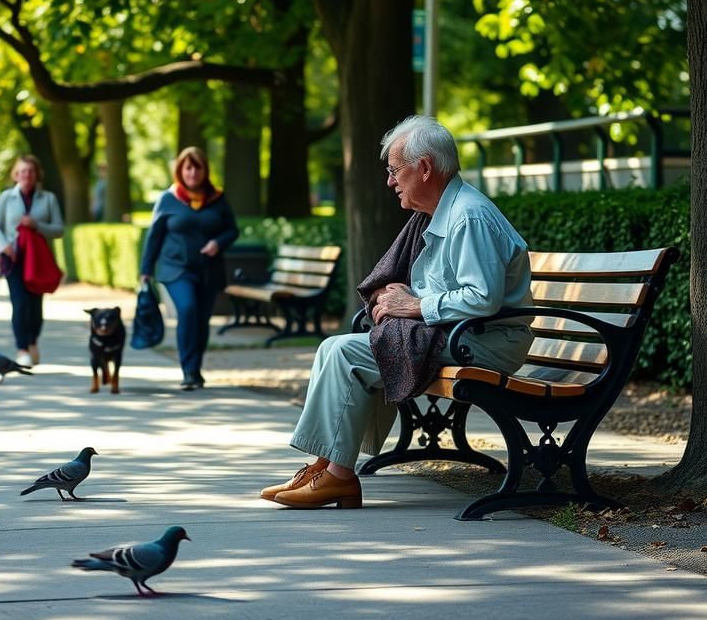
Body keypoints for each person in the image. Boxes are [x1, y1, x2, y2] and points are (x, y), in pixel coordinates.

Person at [260, 115, 535, 509]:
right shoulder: (444, 211)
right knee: (340, 349)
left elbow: (482, 299)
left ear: (424, 168)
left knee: (342, 352)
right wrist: (406, 294)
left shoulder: (468, 217)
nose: (390, 181)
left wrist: (415, 305)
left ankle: (336, 476)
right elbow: (454, 288)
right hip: (462, 334)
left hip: (487, 342)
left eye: (394, 170)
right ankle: (326, 468)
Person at [139, 146, 239, 391]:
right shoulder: (169, 199)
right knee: (188, 309)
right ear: (180, 170)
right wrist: (145, 269)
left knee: (202, 319)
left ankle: (195, 368)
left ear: (205, 170)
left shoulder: (217, 198)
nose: (193, 172)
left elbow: (232, 229)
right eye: (188, 167)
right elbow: (154, 236)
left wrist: (218, 242)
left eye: (197, 167)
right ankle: (188, 370)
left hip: (208, 269)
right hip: (176, 269)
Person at [0, 154, 64, 366]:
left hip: (38, 260)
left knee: (35, 306)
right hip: (14, 258)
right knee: (20, 304)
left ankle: (33, 340)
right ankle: (22, 347)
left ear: (36, 174)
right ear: (16, 174)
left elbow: (59, 229)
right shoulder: (6, 198)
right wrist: (4, 246)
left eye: (30, 171)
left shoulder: (48, 198)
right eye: (22, 171)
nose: (26, 175)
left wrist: (37, 226)